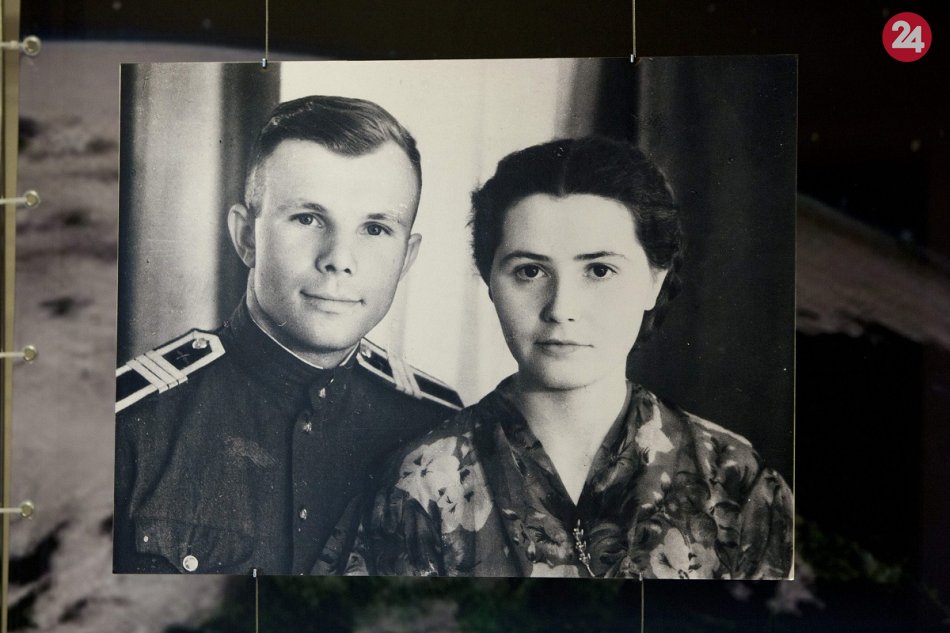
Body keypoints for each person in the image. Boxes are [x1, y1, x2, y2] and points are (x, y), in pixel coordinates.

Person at [334, 137, 793, 579]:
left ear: (655, 281)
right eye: (530, 271)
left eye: (599, 270)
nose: (561, 308)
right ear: (490, 282)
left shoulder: (734, 478)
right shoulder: (421, 483)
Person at [114, 96, 462, 575]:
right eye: (308, 218)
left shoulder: (438, 429)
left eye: (375, 228)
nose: (339, 259)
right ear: (246, 237)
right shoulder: (132, 423)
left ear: (406, 258)